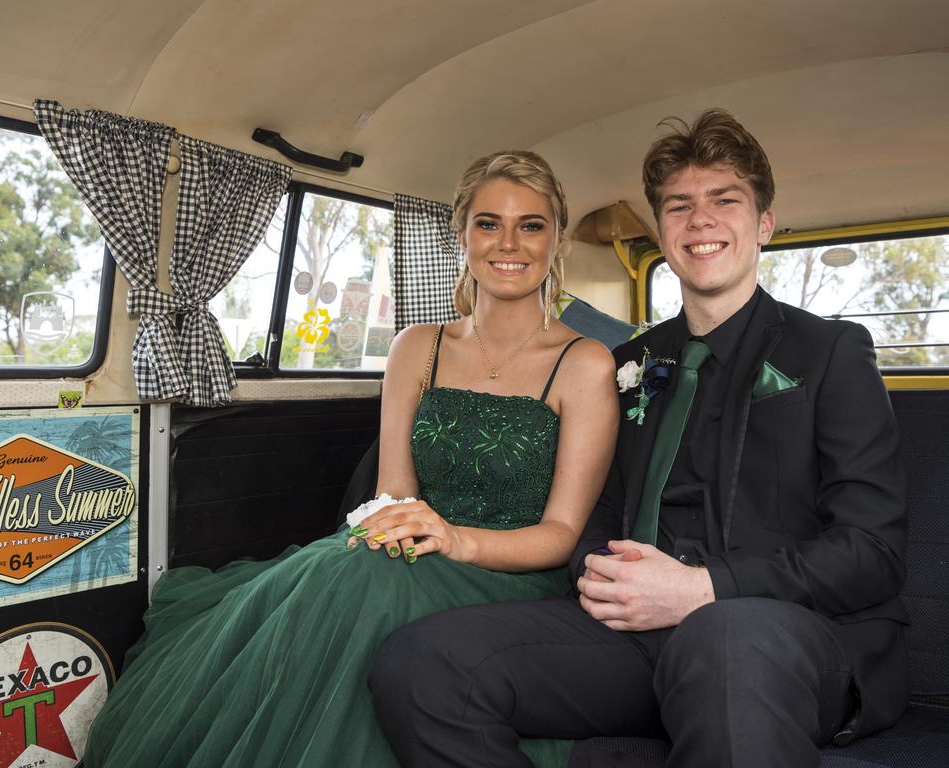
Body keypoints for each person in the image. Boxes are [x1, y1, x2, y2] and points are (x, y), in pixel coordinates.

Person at [371, 109, 909, 767]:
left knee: (725, 641)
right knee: (421, 664)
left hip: (782, 634)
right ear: (662, 231)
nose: (700, 220)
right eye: (679, 206)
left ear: (764, 224)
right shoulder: (634, 362)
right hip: (634, 634)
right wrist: (599, 573)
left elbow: (872, 551)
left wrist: (701, 588)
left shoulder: (831, 351)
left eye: (724, 201)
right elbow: (597, 506)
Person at [82, 150, 618, 767]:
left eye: (532, 225)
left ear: (557, 241)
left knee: (366, 582)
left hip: (514, 577)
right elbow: (393, 490)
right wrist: (398, 529)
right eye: (489, 223)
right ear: (461, 235)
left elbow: (559, 535)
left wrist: (455, 540)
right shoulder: (416, 347)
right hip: (408, 551)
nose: (510, 243)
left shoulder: (584, 363)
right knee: (347, 569)